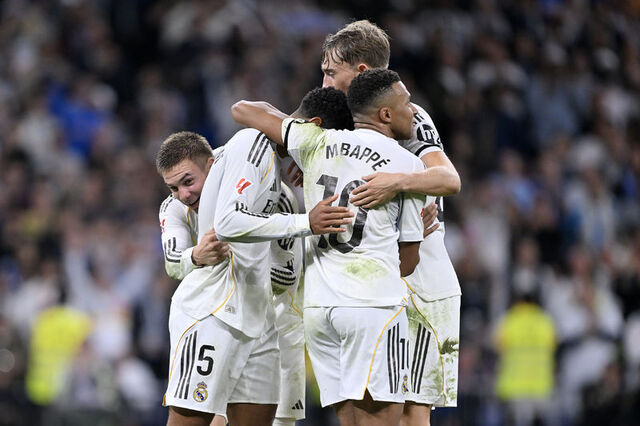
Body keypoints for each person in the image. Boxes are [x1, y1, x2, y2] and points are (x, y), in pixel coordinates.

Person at [232, 72, 426, 426]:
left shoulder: (316, 140)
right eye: (406, 103)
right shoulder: (409, 166)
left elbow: (245, 109)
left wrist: (295, 133)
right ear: (385, 114)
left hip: (320, 310)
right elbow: (409, 261)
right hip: (373, 306)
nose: (413, 110)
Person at [157, 124, 354, 424]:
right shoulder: (172, 208)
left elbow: (286, 276)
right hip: (208, 317)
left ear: (211, 165)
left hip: (260, 324)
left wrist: (254, 251)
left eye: (188, 181)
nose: (183, 194)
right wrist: (196, 255)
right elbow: (173, 261)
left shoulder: (275, 197)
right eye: (173, 187)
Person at [320, 20, 462, 425]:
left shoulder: (405, 115)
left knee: (411, 413)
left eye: (331, 72)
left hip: (419, 280)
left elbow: (448, 178)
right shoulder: (333, 123)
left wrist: (397, 183)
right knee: (361, 408)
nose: (324, 82)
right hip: (365, 287)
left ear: (361, 71)